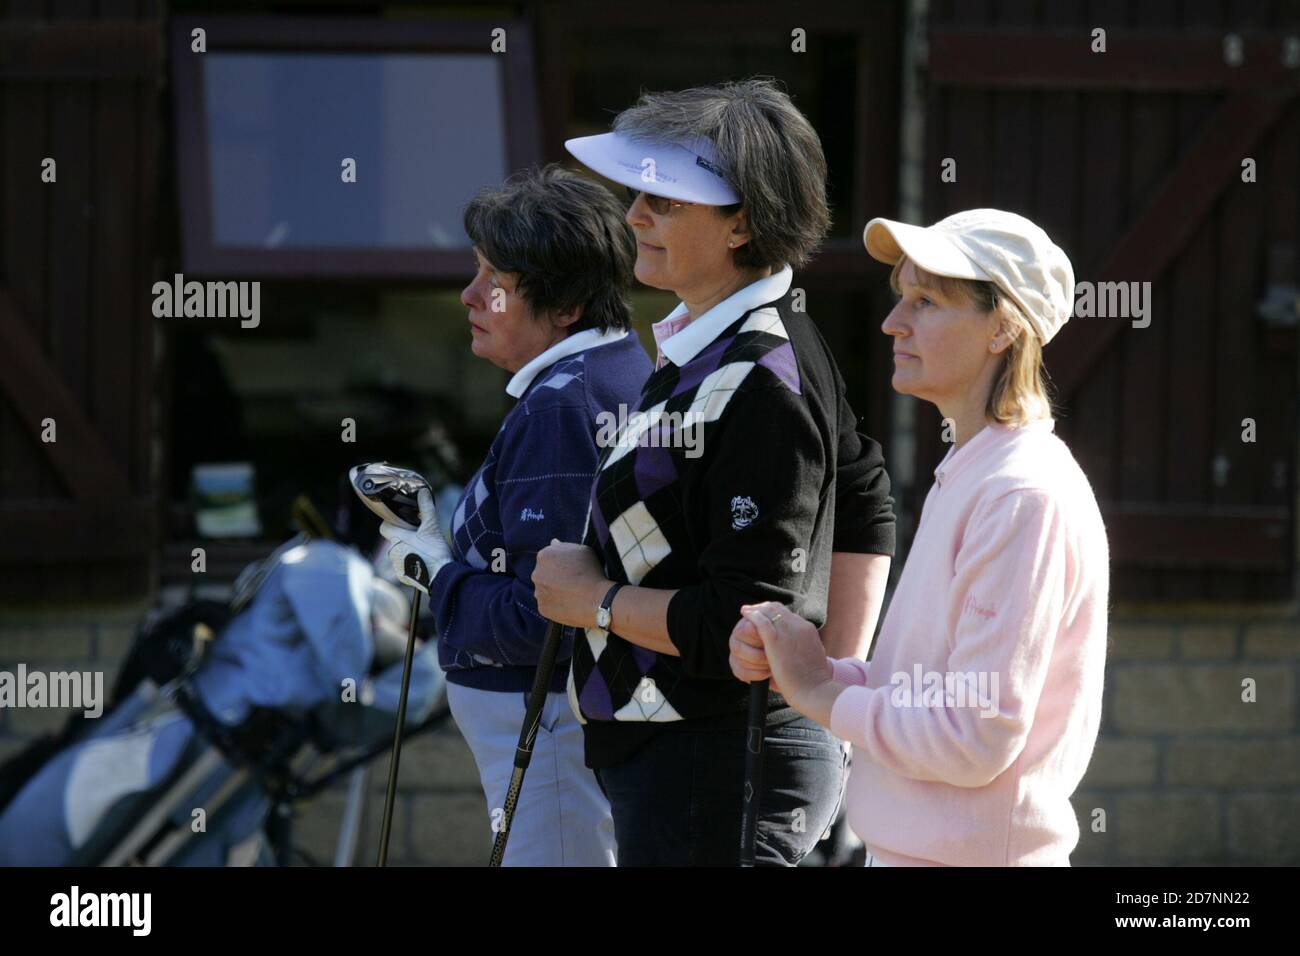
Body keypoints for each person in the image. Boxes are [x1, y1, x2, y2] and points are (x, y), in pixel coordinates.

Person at [531, 79, 896, 866]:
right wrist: (831, 676)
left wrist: (591, 603)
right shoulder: (725, 338)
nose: (633, 216)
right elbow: (864, 487)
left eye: (664, 203)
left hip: (716, 763)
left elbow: (741, 613)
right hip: (696, 756)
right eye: (637, 196)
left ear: (742, 225)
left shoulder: (764, 369)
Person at [730, 208, 1110, 866]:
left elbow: (973, 733)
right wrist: (812, 667)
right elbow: (930, 691)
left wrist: (821, 693)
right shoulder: (976, 471)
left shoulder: (1020, 493)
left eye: (927, 301)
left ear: (1004, 326)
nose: (893, 323)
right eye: (901, 296)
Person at [379, 165, 651, 865]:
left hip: (552, 732)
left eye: (494, 279)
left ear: (564, 307)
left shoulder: (564, 403)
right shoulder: (606, 372)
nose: (469, 295)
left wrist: (434, 572)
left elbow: (548, 617)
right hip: (558, 731)